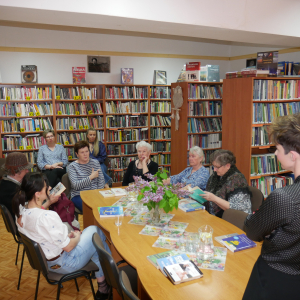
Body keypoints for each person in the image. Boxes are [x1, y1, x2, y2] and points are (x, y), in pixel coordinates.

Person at [12, 172, 111, 300]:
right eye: (46, 186)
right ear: (37, 194)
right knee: (95, 231)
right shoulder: (47, 217)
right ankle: (112, 279)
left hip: (46, 263)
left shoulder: (20, 213)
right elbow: (69, 247)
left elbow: (41, 231)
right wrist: (77, 236)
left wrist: (67, 237)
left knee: (95, 245)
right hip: (65, 263)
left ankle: (104, 287)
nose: (49, 188)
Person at [243, 114, 300, 300]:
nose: (275, 154)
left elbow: (252, 230)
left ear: (292, 155)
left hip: (274, 279)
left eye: (277, 149)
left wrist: (271, 232)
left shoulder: (285, 198)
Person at [202, 149, 252, 218]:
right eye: (213, 166)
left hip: (232, 219)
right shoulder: (215, 176)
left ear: (228, 166)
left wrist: (214, 198)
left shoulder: (237, 180)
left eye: (217, 167)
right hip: (212, 215)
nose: (214, 169)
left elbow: (237, 209)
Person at [68, 141, 105, 211]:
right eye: (82, 152)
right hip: (79, 195)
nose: (85, 154)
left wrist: (97, 193)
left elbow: (101, 181)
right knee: (93, 209)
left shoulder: (95, 162)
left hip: (95, 193)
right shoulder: (72, 166)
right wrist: (90, 177)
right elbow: (75, 185)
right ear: (77, 154)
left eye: (87, 151)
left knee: (106, 206)